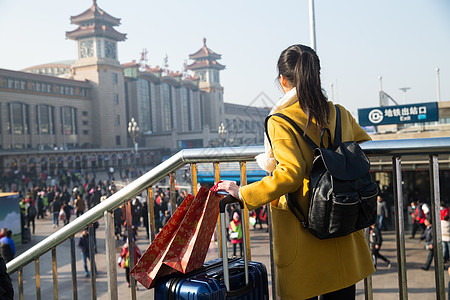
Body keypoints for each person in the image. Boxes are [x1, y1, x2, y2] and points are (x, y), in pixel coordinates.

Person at [218, 44, 374, 299]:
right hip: (343, 222)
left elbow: (289, 174)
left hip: (305, 227)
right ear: (316, 75)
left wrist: (243, 193)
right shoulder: (339, 112)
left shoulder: (281, 120)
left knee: (304, 288)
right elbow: (360, 141)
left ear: (282, 80)